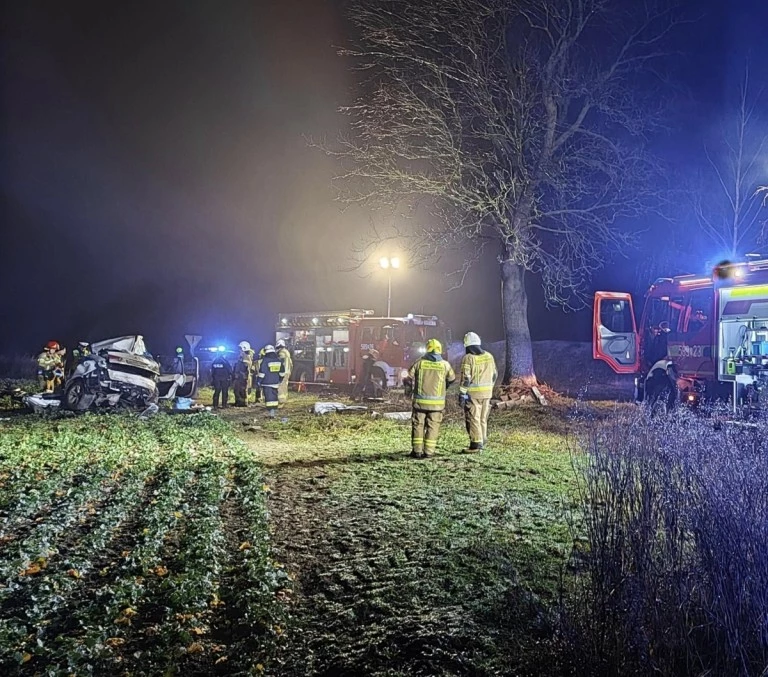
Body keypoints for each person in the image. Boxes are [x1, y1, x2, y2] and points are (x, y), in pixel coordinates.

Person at [406, 338, 455, 458]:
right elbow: (452, 379)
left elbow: (407, 377)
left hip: (420, 403)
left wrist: (408, 391)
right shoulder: (445, 365)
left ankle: (417, 451)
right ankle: (429, 452)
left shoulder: (419, 363)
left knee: (418, 425)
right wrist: (445, 387)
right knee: (433, 427)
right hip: (437, 404)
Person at [459, 332, 497, 452]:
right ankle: (482, 439)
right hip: (487, 393)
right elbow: (495, 374)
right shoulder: (489, 356)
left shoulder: (468, 358)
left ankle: (476, 444)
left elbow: (466, 378)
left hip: (473, 394)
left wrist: (462, 393)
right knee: (482, 418)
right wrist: (490, 387)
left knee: (473, 417)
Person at [257, 344, 286, 417]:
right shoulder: (278, 360)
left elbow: (262, 373)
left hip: (267, 383)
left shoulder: (265, 360)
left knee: (269, 399)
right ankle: (273, 413)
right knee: (274, 397)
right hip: (275, 382)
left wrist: (258, 381)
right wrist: (280, 379)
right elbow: (282, 372)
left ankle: (271, 414)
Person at [233, 341, 253, 407]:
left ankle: (243, 403)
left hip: (243, 377)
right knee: (237, 389)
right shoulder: (241, 356)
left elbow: (246, 367)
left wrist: (244, 376)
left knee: (243, 390)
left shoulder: (246, 357)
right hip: (239, 376)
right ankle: (238, 402)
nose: (239, 350)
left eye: (240, 348)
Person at [276, 339, 293, 406]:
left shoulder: (281, 353)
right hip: (287, 372)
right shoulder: (287, 353)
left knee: (280, 386)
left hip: (283, 372)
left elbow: (280, 363)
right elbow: (291, 364)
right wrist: (290, 371)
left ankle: (281, 401)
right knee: (285, 386)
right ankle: (284, 399)